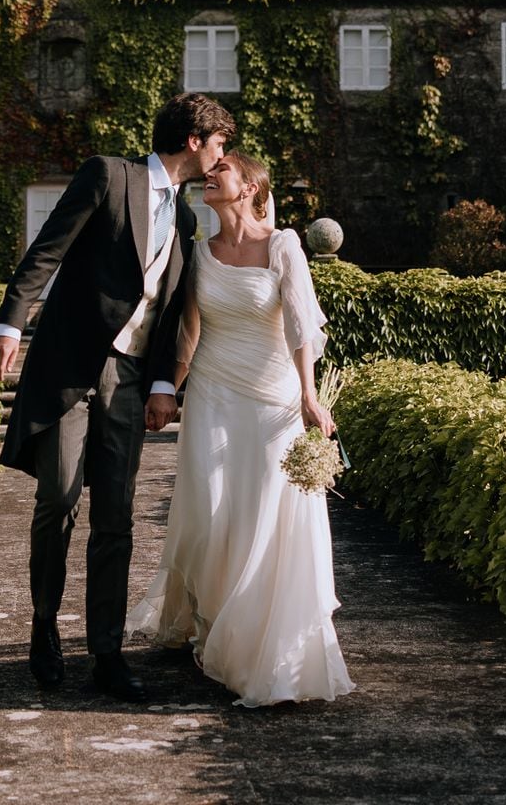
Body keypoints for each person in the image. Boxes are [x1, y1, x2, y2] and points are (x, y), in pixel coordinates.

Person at [0, 93, 237, 702]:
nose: (222, 155)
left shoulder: (185, 221)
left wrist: (162, 384)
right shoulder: (108, 175)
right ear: (194, 140)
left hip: (128, 378)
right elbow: (48, 249)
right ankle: (44, 626)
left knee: (116, 518)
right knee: (59, 499)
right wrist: (9, 323)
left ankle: (107, 652)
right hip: (70, 366)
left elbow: (171, 311)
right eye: (219, 143)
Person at [126, 151, 355, 707]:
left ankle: (258, 643)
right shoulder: (199, 252)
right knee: (209, 510)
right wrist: (167, 390)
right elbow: (188, 331)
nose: (210, 173)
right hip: (211, 392)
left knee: (264, 513)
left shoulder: (284, 245)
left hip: (272, 399)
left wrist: (308, 395)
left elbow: (300, 323)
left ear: (251, 186)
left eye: (222, 168)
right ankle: (212, 620)